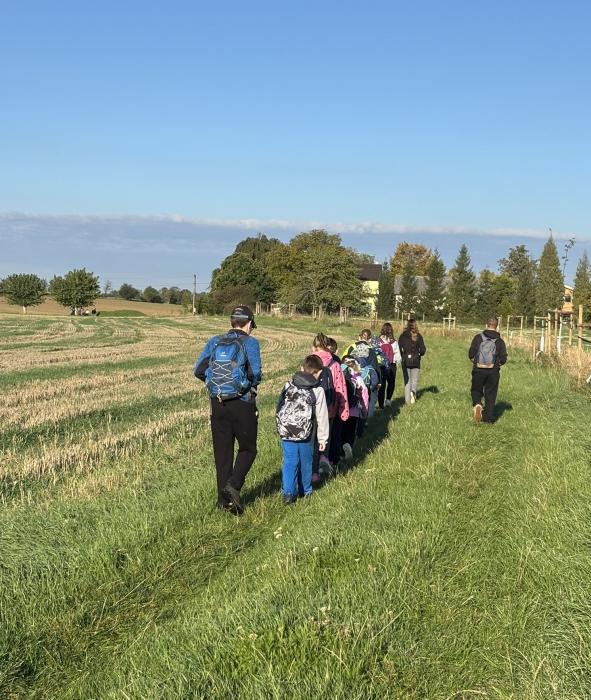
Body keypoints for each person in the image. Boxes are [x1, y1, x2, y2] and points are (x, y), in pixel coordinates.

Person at [194, 305, 262, 514]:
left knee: (222, 454)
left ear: (232, 322)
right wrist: (242, 386)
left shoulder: (215, 341)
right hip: (242, 403)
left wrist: (218, 384)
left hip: (218, 403)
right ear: (249, 323)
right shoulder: (251, 343)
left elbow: (199, 370)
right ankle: (233, 486)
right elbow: (255, 374)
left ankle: (224, 503)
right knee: (248, 449)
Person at [276, 355, 329, 503]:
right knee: (306, 461)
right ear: (319, 372)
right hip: (307, 434)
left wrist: (280, 426)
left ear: (301, 368)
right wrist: (323, 438)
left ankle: (288, 492)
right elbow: (322, 416)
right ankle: (305, 490)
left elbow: (279, 406)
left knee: (289, 461)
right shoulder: (317, 390)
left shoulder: (288, 385)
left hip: (287, 431)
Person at [311, 333, 349, 479]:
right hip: (329, 409)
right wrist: (343, 410)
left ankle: (313, 471)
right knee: (325, 438)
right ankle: (323, 462)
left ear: (314, 346)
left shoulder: (310, 362)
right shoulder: (335, 364)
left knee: (313, 440)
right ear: (328, 346)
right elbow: (341, 388)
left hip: (312, 407)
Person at [468, 317, 508, 423]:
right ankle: (488, 419)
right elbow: (503, 359)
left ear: (486, 325)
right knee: (491, 393)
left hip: (478, 369)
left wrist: (476, 362)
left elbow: (471, 354)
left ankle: (477, 404)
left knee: (476, 389)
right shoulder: (500, 341)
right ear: (497, 326)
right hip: (493, 372)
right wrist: (496, 364)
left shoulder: (478, 338)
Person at [340, 358, 369, 459]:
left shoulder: (341, 378)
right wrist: (365, 411)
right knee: (351, 431)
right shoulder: (358, 378)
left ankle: (341, 452)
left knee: (342, 431)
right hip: (354, 410)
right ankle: (349, 448)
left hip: (341, 410)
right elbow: (364, 396)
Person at [398, 319, 426, 405]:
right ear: (415, 325)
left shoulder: (402, 336)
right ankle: (413, 392)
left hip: (405, 360)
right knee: (414, 380)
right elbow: (423, 350)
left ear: (407, 325)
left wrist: (403, 355)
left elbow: (399, 348)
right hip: (416, 361)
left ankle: (407, 402)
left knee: (407, 381)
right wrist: (419, 354)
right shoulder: (419, 336)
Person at [377, 322, 401, 408]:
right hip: (392, 364)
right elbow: (398, 355)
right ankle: (388, 400)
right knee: (391, 383)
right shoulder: (394, 342)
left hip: (381, 365)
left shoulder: (378, 341)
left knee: (382, 384)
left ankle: (380, 404)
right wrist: (396, 362)